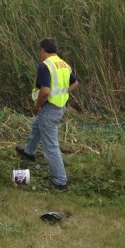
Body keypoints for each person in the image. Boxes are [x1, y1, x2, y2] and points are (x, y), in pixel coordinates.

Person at [16, 37, 78, 190]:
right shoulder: (64, 64)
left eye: (39, 50)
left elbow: (45, 91)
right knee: (37, 125)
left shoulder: (45, 66)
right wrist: (62, 93)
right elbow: (75, 83)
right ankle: (29, 151)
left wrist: (38, 105)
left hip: (50, 108)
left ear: (42, 50)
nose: (39, 53)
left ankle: (60, 181)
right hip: (60, 106)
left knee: (50, 146)